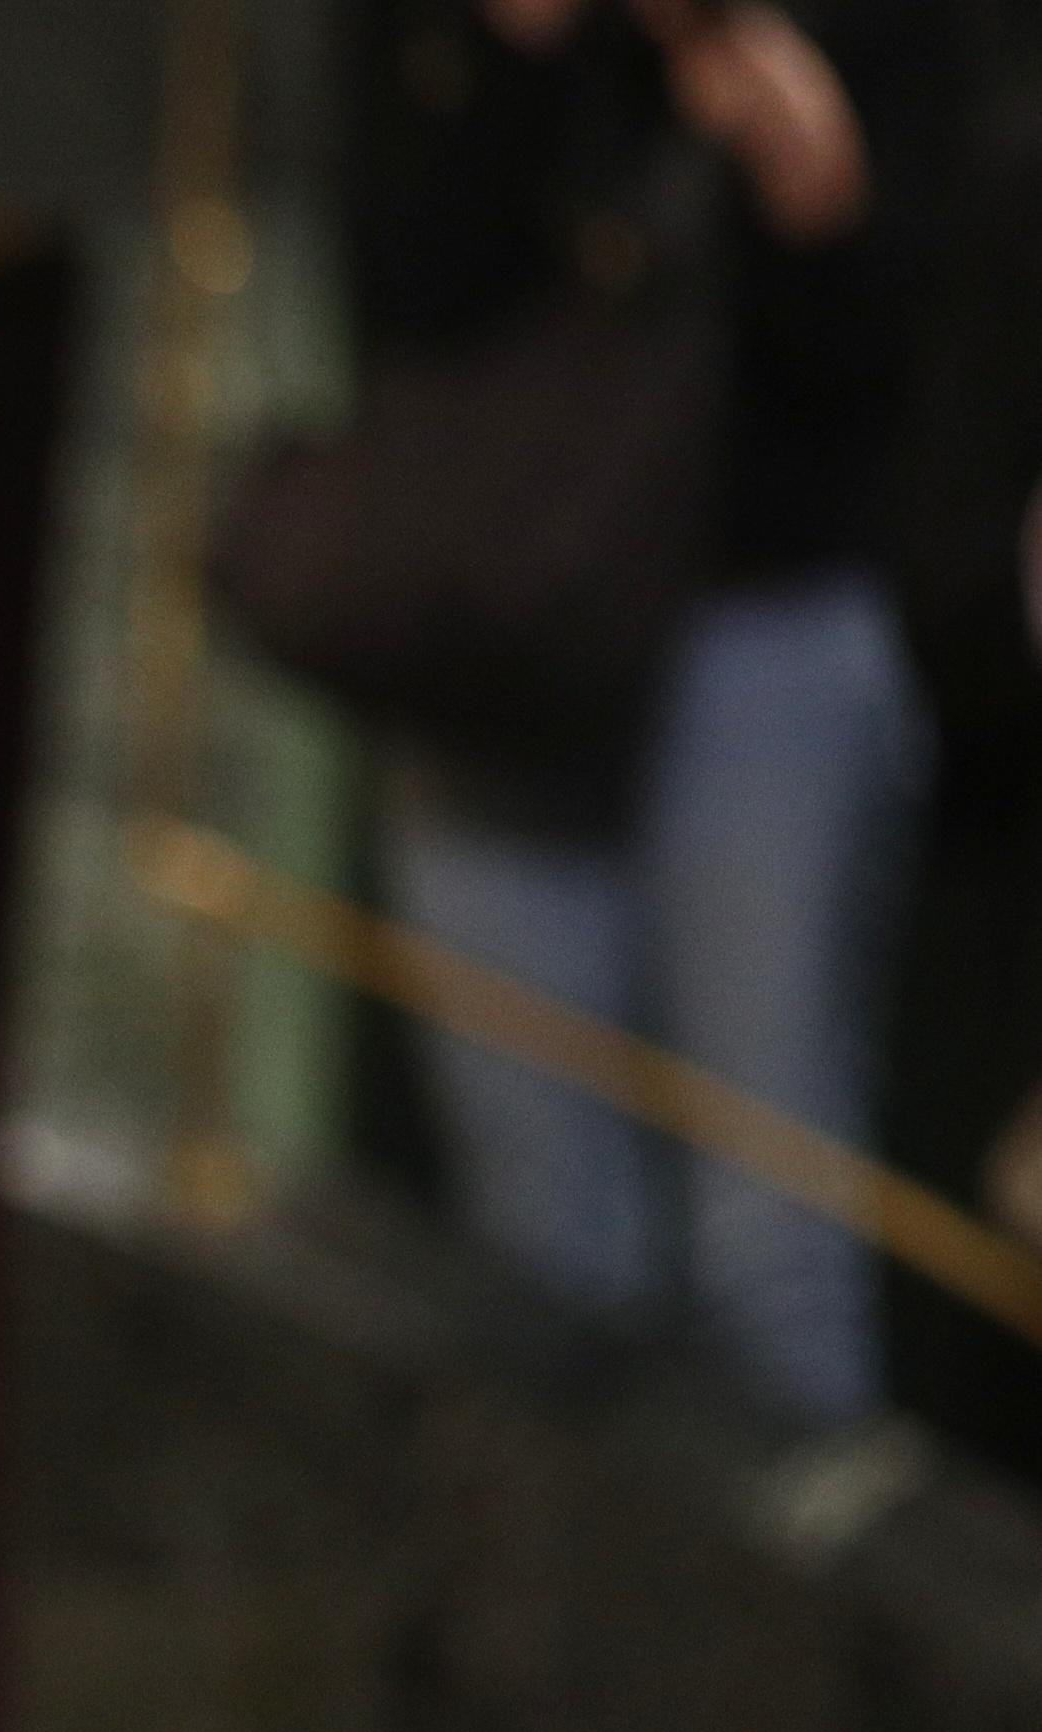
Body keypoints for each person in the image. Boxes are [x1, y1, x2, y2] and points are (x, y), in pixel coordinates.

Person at [352, 0, 941, 1419]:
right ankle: (556, 1624)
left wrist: (804, 175)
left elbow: (894, 366)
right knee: (540, 1243)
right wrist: (518, 58)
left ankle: (790, 1636)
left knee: (769, 1238)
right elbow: (402, 301)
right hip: (502, 645)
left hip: (760, 630)